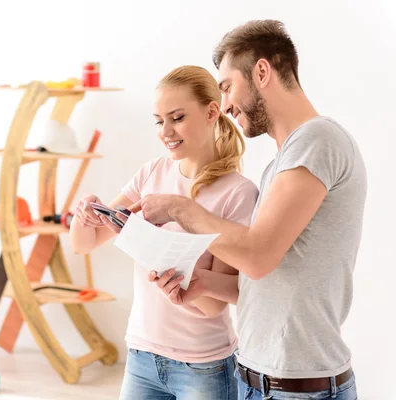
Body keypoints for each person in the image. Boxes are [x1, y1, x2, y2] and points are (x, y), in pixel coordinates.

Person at [138, 20, 366, 400]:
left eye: (227, 87)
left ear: (262, 72)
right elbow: (272, 276)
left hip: (296, 388)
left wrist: (181, 209)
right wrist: (206, 285)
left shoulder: (317, 139)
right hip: (261, 379)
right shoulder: (284, 160)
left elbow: (258, 256)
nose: (224, 104)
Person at [69, 65, 259, 400]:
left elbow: (215, 305)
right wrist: (85, 214)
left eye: (177, 117)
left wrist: (178, 277)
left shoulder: (238, 193)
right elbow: (84, 244)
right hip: (142, 356)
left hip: (203, 366)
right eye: (159, 120)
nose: (165, 131)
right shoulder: (151, 174)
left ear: (212, 112)